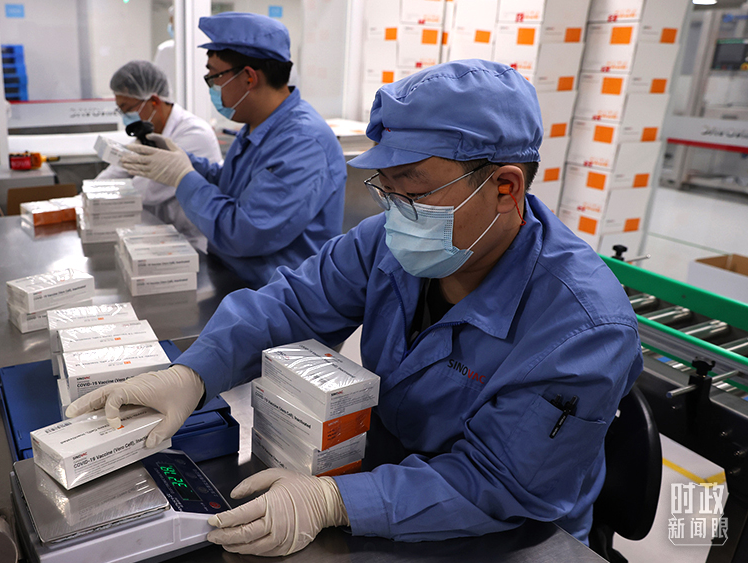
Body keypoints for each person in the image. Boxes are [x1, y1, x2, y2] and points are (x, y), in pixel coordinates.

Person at [67, 60, 643, 556]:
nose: (395, 213)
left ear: (506, 188)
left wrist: (334, 500)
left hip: (509, 536)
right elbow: (292, 303)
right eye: (384, 188)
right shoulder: (386, 242)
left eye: (413, 191)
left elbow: (501, 483)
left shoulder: (584, 329)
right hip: (388, 479)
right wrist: (193, 374)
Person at [118, 12, 346, 288]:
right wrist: (181, 160)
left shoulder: (303, 142)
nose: (212, 87)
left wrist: (182, 177)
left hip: (281, 298)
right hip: (238, 279)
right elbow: (232, 183)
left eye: (214, 77)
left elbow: (243, 233)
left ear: (249, 77)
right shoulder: (259, 124)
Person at [96, 61, 221, 252]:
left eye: (127, 109)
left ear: (153, 101)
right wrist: (88, 196)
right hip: (161, 237)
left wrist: (100, 201)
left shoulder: (195, 134)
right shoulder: (150, 133)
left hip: (193, 242)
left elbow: (148, 190)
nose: (124, 116)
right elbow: (119, 169)